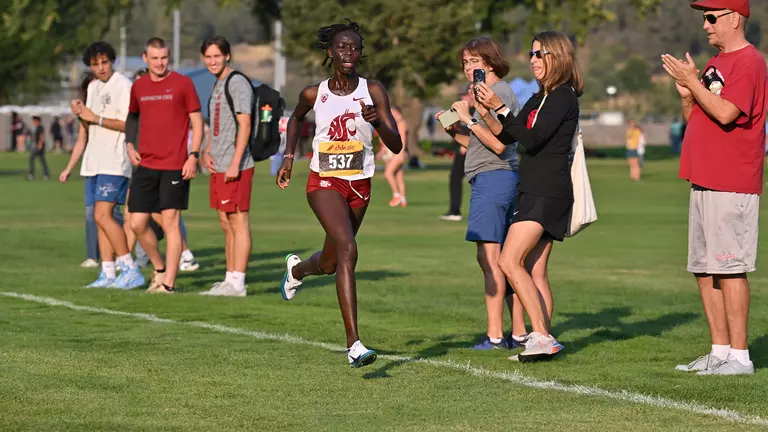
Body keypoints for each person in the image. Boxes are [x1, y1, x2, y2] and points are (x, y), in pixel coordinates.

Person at [277, 20, 403, 367]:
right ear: (331, 52)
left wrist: (377, 122)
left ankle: (297, 271)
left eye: (355, 48)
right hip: (324, 182)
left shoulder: (373, 90)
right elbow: (295, 119)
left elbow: (396, 144)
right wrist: (289, 157)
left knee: (331, 263)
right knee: (349, 248)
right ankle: (354, 345)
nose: (349, 52)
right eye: (342, 47)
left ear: (360, 54)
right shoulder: (313, 93)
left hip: (359, 185)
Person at [662, 0, 765, 375]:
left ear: (734, 19)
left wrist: (693, 82)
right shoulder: (714, 64)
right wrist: (688, 96)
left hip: (731, 180)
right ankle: (719, 351)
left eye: (711, 17)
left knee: (729, 268)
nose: (705, 25)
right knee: (705, 269)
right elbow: (697, 119)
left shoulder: (749, 62)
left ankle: (740, 357)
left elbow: (726, 113)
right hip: (704, 178)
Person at [476, 30, 581, 361]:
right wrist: (487, 112)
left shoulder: (563, 96)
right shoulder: (539, 97)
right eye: (531, 54)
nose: (532, 60)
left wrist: (500, 106)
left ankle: (541, 337)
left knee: (508, 260)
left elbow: (533, 140)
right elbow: (510, 136)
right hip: (532, 188)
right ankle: (543, 340)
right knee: (535, 272)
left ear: (556, 57)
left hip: (546, 191)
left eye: (539, 54)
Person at [441, 37, 525, 350]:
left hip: (494, 180)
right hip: (493, 178)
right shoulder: (486, 95)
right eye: (465, 62)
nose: (468, 68)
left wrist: (468, 118)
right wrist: (454, 130)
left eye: (474, 62)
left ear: (490, 63)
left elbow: (500, 146)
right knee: (504, 260)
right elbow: (480, 145)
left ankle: (495, 336)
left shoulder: (497, 92)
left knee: (490, 259)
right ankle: (518, 333)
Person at [61, 41, 144, 289]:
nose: (100, 68)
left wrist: (95, 117)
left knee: (102, 214)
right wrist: (80, 112)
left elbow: (128, 124)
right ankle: (107, 273)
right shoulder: (93, 87)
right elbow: (87, 124)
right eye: (95, 64)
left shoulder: (124, 85)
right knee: (98, 219)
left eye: (104, 62)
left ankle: (129, 268)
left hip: (114, 160)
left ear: (112, 61)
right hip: (94, 161)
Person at [125, 37, 204, 294]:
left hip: (175, 164)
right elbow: (132, 116)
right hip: (146, 164)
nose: (160, 63)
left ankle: (168, 283)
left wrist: (193, 155)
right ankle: (159, 268)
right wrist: (129, 145)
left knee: (171, 222)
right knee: (137, 223)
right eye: (155, 58)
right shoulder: (138, 86)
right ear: (145, 58)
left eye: (164, 58)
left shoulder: (183, 84)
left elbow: (197, 122)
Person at [198, 36, 254, 297]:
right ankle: (229, 279)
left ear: (227, 56)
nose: (212, 61)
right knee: (225, 221)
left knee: (238, 220)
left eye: (217, 56)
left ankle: (238, 283)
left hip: (236, 165)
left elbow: (245, 124)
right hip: (218, 164)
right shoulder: (217, 83)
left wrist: (235, 162)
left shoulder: (237, 82)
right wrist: (207, 150)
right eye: (208, 57)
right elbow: (217, 124)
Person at [439, 87, 471, 222]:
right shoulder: (459, 109)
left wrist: (468, 144)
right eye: (461, 96)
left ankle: (455, 211)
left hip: (470, 150)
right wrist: (442, 117)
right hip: (461, 150)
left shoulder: (475, 110)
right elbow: (445, 121)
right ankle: (454, 210)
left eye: (465, 96)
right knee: (455, 178)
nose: (463, 98)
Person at [379, 105, 408, 207]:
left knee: (388, 173)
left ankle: (396, 195)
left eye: (394, 113)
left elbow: (403, 140)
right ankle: (403, 199)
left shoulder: (401, 123)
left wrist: (401, 153)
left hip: (398, 153)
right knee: (398, 176)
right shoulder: (394, 124)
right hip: (394, 153)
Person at [27, 116, 50, 180]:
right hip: (39, 146)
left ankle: (31, 174)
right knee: (42, 160)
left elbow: (42, 136)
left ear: (37, 121)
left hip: (39, 146)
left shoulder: (40, 127)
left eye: (34, 121)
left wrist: (39, 145)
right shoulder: (38, 127)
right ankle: (46, 174)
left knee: (31, 158)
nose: (33, 122)